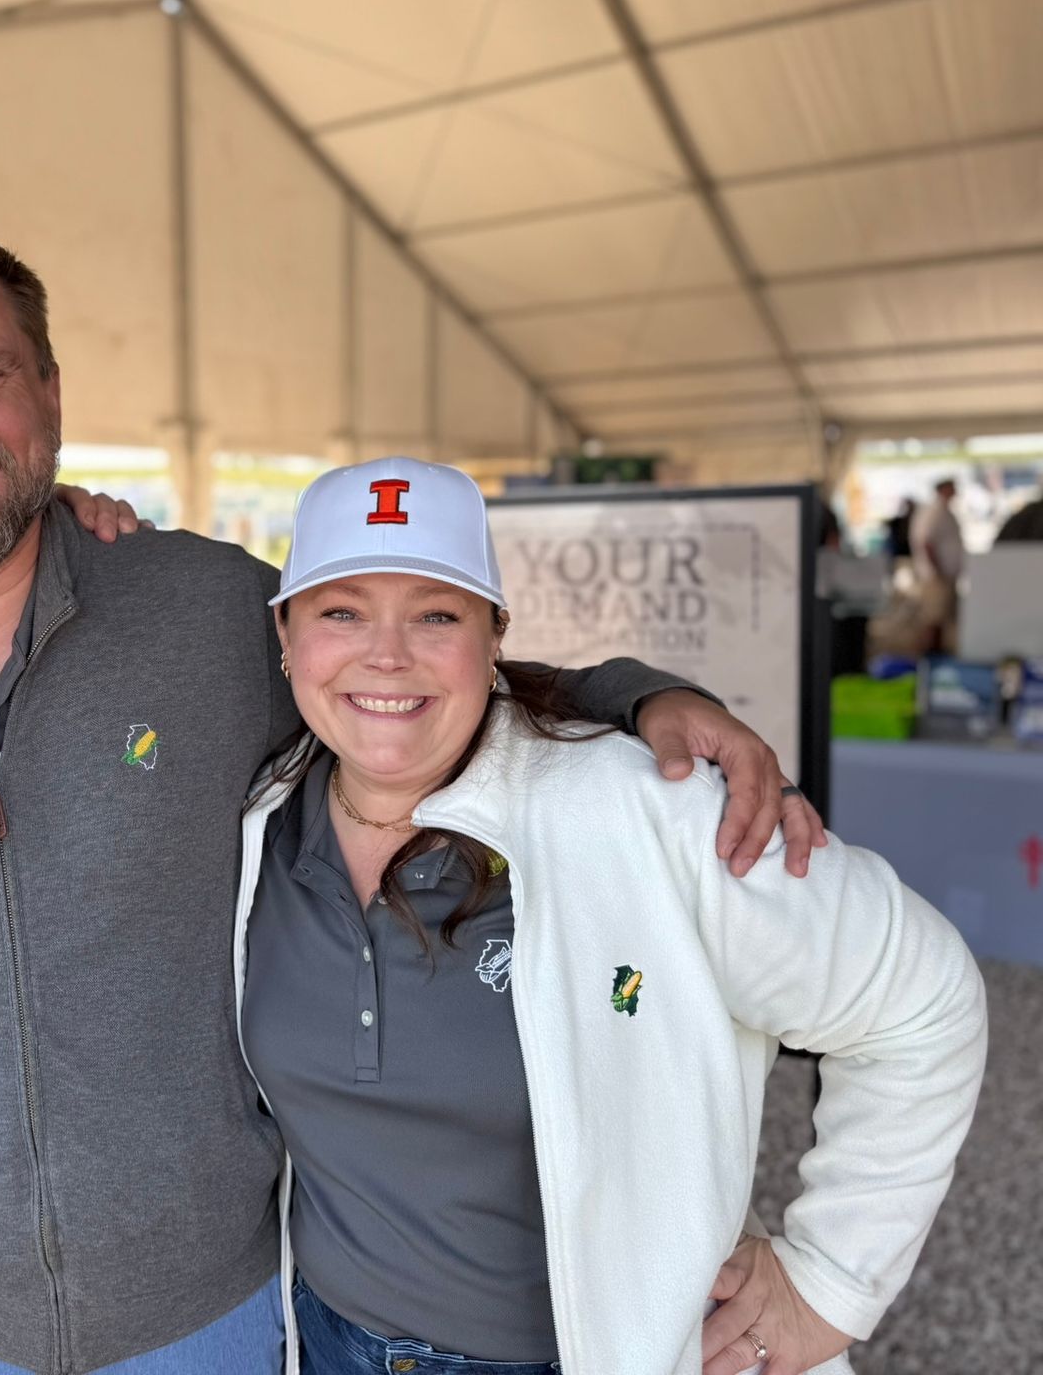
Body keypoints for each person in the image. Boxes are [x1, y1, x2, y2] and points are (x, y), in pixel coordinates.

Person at [0, 225, 828, 1373]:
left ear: (50, 397)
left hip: (212, 1320)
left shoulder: (205, 610)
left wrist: (637, 695)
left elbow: (409, 667)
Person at [234, 457, 987, 1375]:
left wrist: (828, 1284)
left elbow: (921, 996)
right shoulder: (257, 818)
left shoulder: (640, 807)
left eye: (437, 613)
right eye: (341, 610)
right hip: (330, 1342)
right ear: (285, 633)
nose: (386, 655)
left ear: (494, 633)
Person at [909, 477, 965, 653]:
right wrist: (937, 570)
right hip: (935, 576)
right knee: (933, 618)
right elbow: (926, 542)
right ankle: (928, 656)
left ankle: (936, 654)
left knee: (941, 618)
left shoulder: (944, 511)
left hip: (944, 575)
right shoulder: (934, 511)